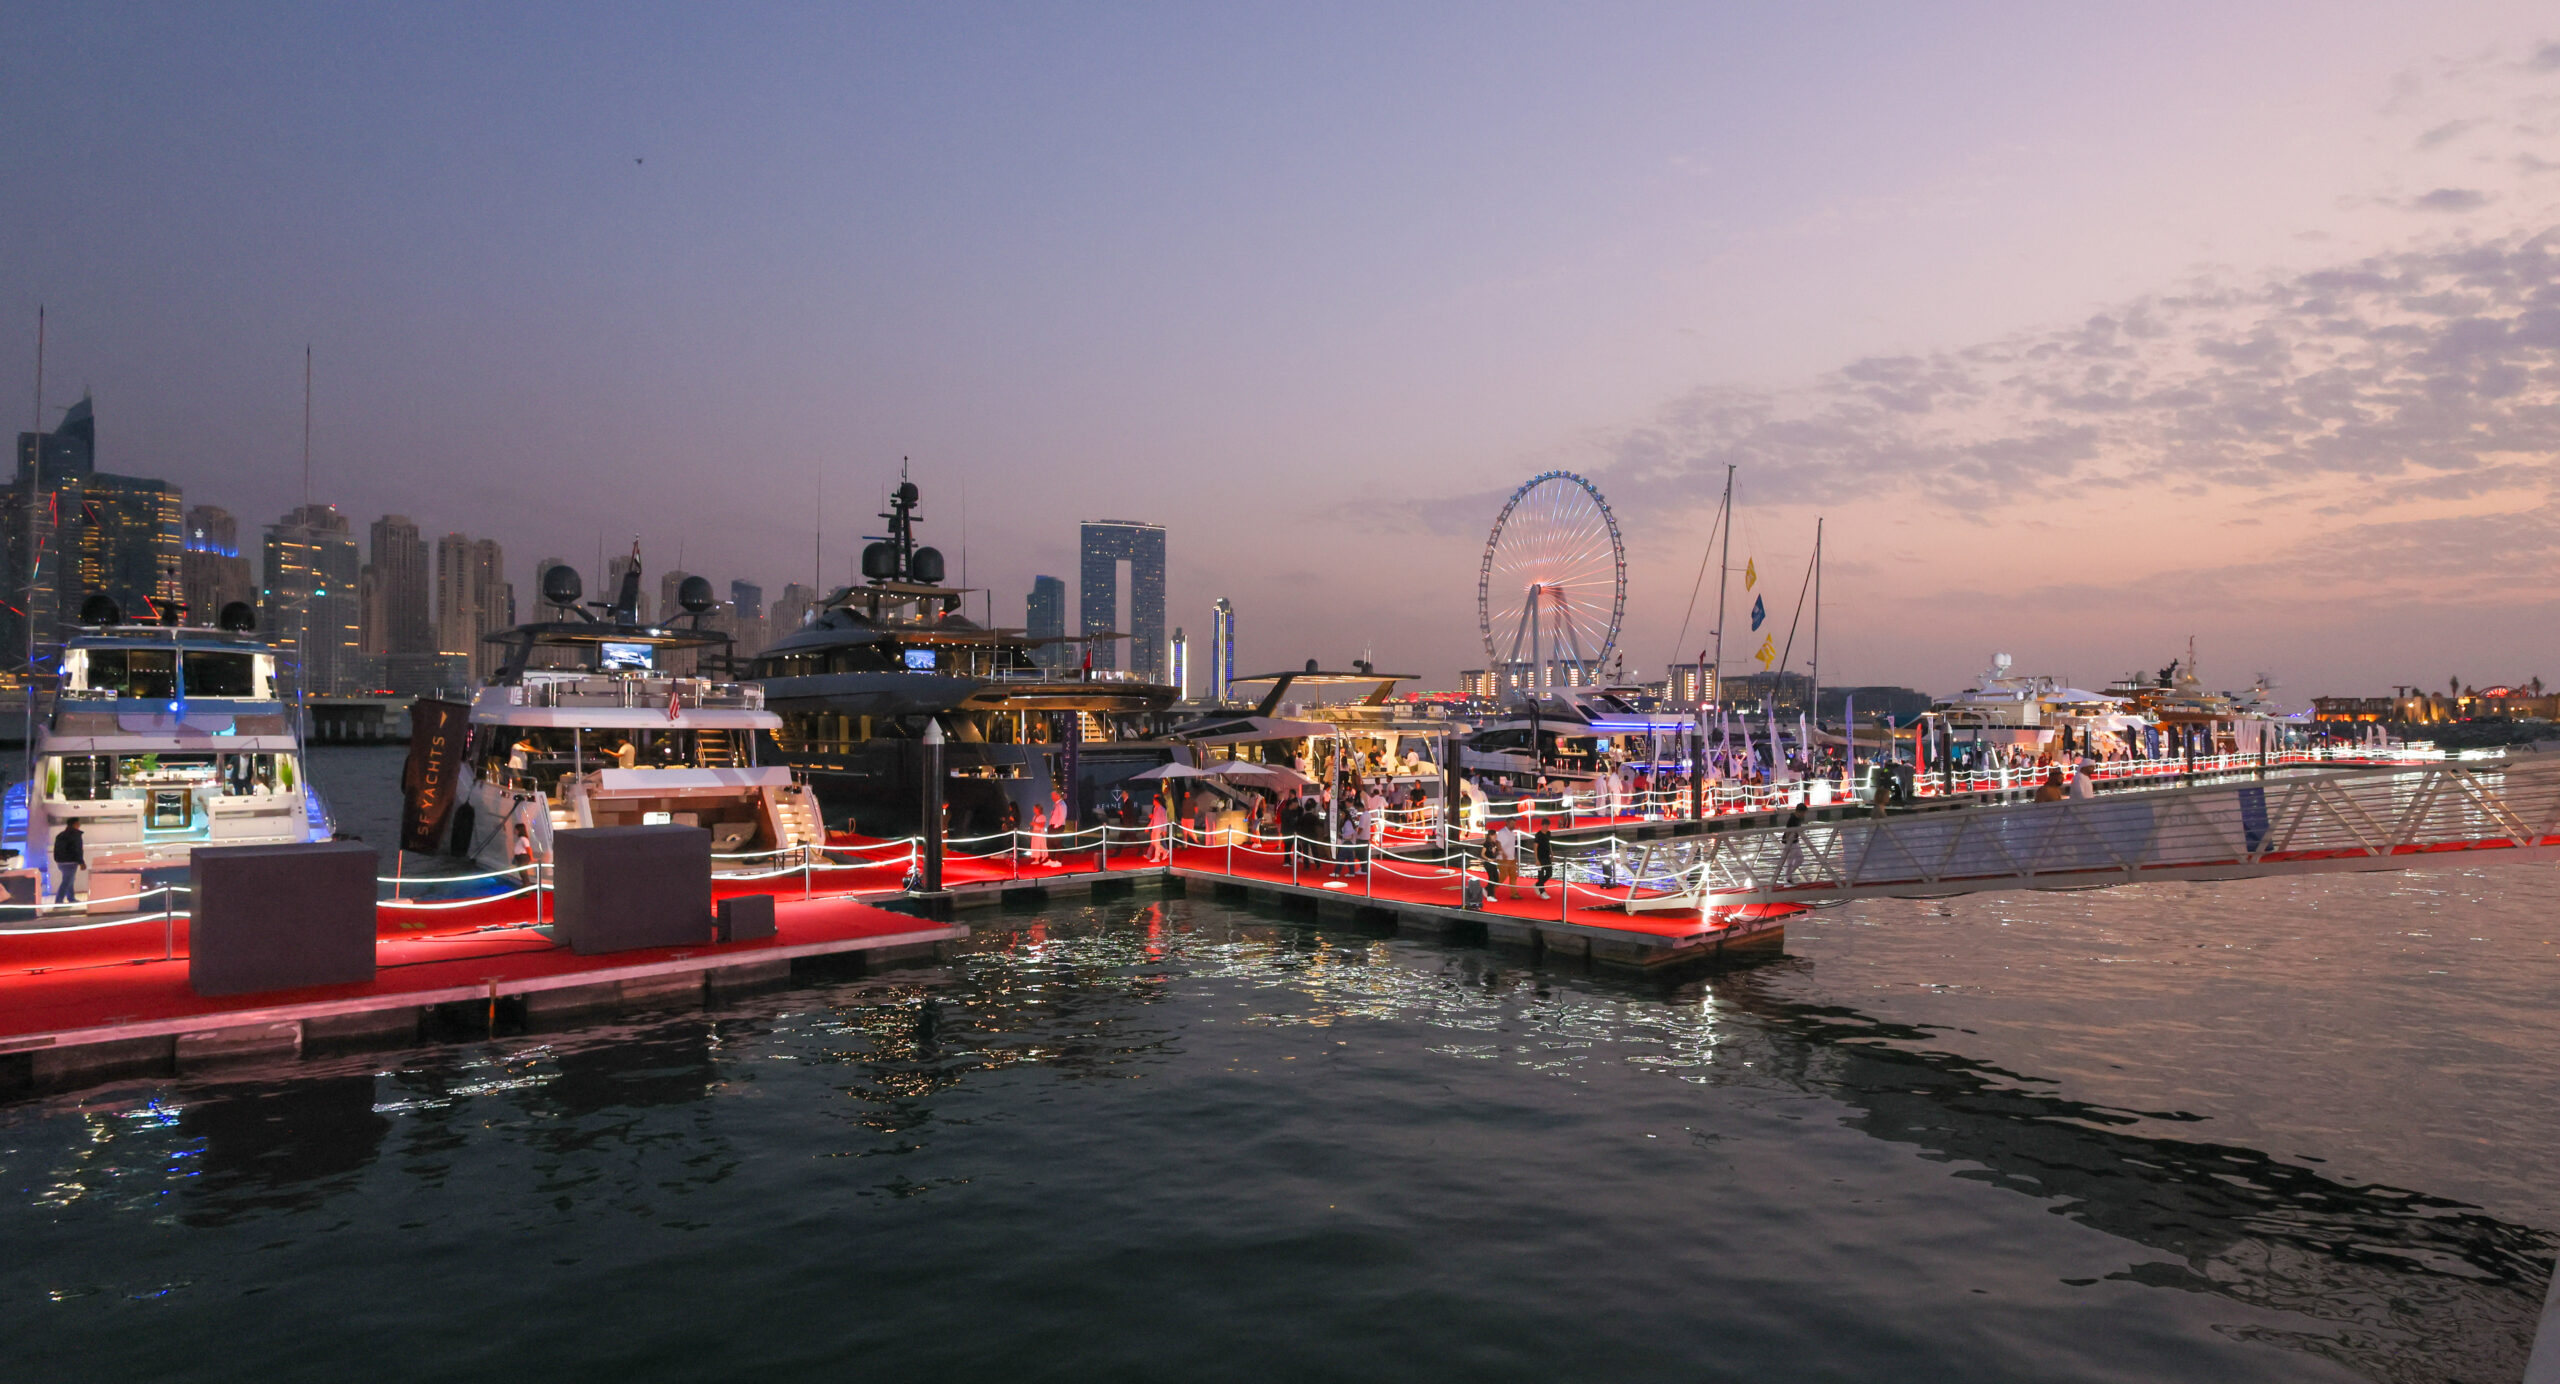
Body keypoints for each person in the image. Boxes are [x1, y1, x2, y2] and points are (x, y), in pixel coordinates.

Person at [51, 818, 84, 905]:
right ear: (75, 824)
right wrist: (81, 862)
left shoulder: (60, 835)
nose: (79, 825)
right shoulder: (75, 835)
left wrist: (57, 859)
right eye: (78, 823)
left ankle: (71, 898)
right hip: (71, 861)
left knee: (69, 880)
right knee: (67, 881)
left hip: (61, 862)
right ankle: (59, 900)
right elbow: (77, 850)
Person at [1777, 801, 1808, 883]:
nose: (1804, 814)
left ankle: (1788, 875)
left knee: (1800, 859)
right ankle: (1787, 879)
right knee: (1789, 862)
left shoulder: (1798, 818)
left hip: (1795, 841)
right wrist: (1788, 844)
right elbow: (1788, 831)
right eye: (1804, 812)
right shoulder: (1792, 819)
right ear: (1800, 812)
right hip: (1789, 842)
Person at [1493, 820, 1523, 900]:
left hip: (1511, 858)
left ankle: (1514, 893)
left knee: (1513, 876)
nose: (1514, 825)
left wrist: (1514, 856)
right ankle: (1491, 890)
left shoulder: (1512, 833)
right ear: (1507, 823)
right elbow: (1498, 843)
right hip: (1503, 858)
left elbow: (1511, 846)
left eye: (1514, 823)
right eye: (1512, 823)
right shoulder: (1502, 832)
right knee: (1503, 875)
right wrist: (1502, 853)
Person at [1531, 825, 1554, 899]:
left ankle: (1537, 884)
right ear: (1542, 826)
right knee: (1540, 875)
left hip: (1547, 857)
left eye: (1547, 827)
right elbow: (1535, 847)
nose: (1546, 828)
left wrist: (1551, 852)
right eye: (1545, 827)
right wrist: (1537, 859)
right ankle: (1542, 891)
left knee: (1549, 873)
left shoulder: (1548, 833)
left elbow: (1548, 843)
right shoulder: (1538, 835)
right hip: (1540, 858)